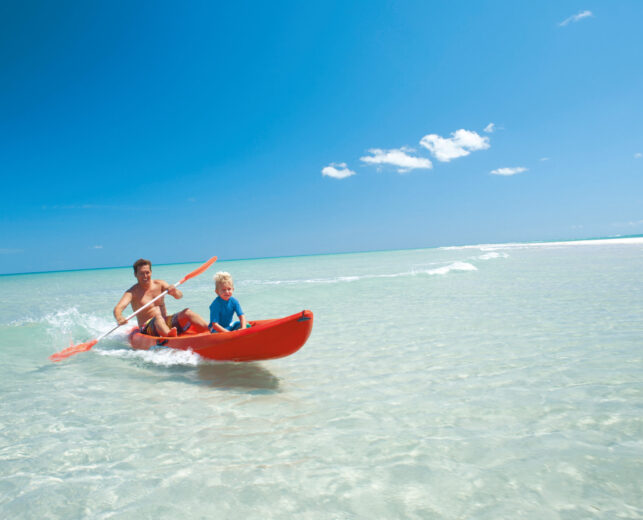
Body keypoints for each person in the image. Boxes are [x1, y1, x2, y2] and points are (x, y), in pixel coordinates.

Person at [114, 259, 210, 337]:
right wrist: (119, 318)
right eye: (141, 273)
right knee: (158, 318)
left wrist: (174, 291)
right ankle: (171, 337)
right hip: (147, 328)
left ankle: (211, 330)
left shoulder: (160, 284)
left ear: (151, 272)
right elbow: (118, 308)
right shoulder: (132, 292)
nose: (145, 276)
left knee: (187, 312)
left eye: (147, 272)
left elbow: (179, 296)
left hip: (164, 322)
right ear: (135, 274)